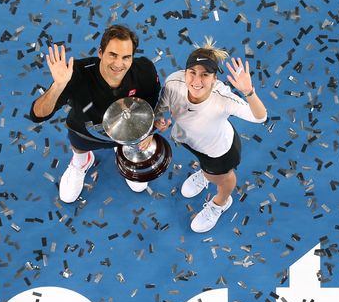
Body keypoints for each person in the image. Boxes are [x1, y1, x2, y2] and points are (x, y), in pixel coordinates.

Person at [29, 25, 161, 203]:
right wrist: (58, 86)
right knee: (79, 148)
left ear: (132, 58)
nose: (118, 64)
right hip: (86, 132)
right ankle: (82, 160)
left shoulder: (144, 72)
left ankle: (124, 150)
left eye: (126, 57)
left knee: (140, 183)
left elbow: (150, 105)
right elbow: (38, 115)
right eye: (112, 55)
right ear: (100, 52)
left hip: (128, 131)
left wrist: (148, 131)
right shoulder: (75, 74)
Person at [154, 38, 267, 232]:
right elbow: (161, 106)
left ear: (215, 78)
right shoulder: (174, 82)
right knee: (207, 169)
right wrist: (157, 119)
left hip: (219, 152)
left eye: (205, 75)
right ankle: (206, 174)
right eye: (192, 73)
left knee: (224, 178)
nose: (197, 81)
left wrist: (249, 92)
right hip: (188, 140)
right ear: (185, 72)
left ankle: (220, 203)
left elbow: (260, 117)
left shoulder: (223, 99)